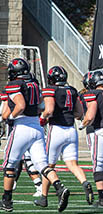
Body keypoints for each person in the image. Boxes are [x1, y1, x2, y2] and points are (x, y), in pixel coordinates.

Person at [1, 58, 70, 212]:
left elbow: (20, 105)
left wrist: (10, 117)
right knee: (42, 164)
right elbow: (40, 106)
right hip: (36, 127)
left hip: (21, 126)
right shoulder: (34, 84)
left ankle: (6, 200)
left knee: (9, 165)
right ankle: (59, 188)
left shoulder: (14, 85)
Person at [35, 66, 94, 207]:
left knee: (48, 166)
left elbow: (49, 110)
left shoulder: (51, 90)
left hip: (56, 131)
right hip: (71, 130)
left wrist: (42, 119)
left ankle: (43, 197)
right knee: (73, 165)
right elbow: (79, 114)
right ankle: (85, 183)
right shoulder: (72, 90)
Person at [80, 70, 103, 208]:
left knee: (98, 165)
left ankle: (102, 198)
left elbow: (90, 115)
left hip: (101, 132)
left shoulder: (93, 93)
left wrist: (83, 124)